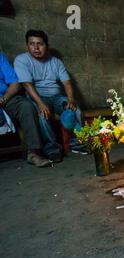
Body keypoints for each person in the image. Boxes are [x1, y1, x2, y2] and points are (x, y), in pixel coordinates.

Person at [14, 30, 86, 163]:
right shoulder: (21, 60)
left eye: (40, 44)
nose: (36, 48)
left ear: (46, 45)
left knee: (75, 109)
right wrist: (41, 104)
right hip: (37, 97)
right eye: (32, 44)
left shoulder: (56, 62)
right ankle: (52, 149)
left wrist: (70, 99)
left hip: (57, 97)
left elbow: (66, 82)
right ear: (27, 45)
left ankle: (78, 143)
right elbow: (26, 84)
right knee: (42, 115)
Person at [0, 51, 50, 167]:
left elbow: (15, 83)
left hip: (4, 97)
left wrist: (4, 98)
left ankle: (34, 152)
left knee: (26, 106)